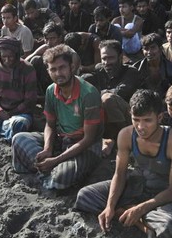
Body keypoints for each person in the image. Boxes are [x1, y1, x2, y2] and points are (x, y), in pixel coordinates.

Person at [74, 89, 172, 238]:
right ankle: (134, 219)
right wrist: (110, 206)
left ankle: (127, 212)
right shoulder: (125, 135)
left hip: (161, 195)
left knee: (170, 226)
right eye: (136, 119)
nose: (140, 127)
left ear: (159, 117)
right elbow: (119, 175)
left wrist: (141, 208)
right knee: (84, 196)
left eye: (147, 120)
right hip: (133, 185)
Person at [11, 44, 103, 190]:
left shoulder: (88, 94)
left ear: (71, 67)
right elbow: (50, 124)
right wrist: (48, 148)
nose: (58, 73)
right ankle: (48, 172)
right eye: (53, 69)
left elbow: (89, 139)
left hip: (85, 147)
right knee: (19, 139)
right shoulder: (50, 91)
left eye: (62, 68)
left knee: (61, 177)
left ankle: (51, 173)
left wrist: (56, 160)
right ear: (48, 71)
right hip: (61, 140)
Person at [83, 40, 141, 156]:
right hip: (105, 121)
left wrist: (97, 95)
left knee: (108, 99)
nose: (107, 62)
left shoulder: (131, 72)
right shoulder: (100, 70)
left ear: (120, 57)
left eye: (111, 58)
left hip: (130, 121)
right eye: (104, 58)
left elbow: (120, 93)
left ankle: (128, 141)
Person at [133, 33, 172, 97]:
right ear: (142, 51)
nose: (149, 52)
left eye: (153, 48)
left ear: (160, 49)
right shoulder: (136, 68)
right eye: (146, 49)